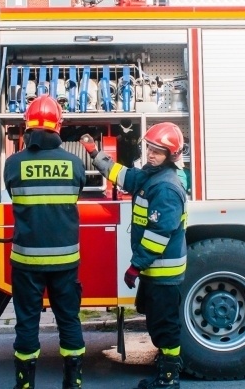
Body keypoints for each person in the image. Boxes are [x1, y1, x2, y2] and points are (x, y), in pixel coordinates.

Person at [80, 122, 187, 389]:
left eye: (158, 151)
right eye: (149, 148)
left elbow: (158, 235)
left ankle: (169, 378)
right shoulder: (150, 175)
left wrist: (135, 267)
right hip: (155, 271)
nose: (151, 154)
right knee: (158, 322)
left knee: (165, 326)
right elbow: (122, 175)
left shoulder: (165, 187)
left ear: (170, 156)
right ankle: (166, 367)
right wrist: (95, 154)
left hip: (163, 272)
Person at [3, 95, 87, 389]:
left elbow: (14, 195)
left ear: (27, 128)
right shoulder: (75, 164)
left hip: (27, 262)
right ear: (57, 127)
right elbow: (76, 193)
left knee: (27, 323)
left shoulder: (13, 164)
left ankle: (25, 384)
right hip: (65, 261)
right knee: (69, 320)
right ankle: (73, 382)